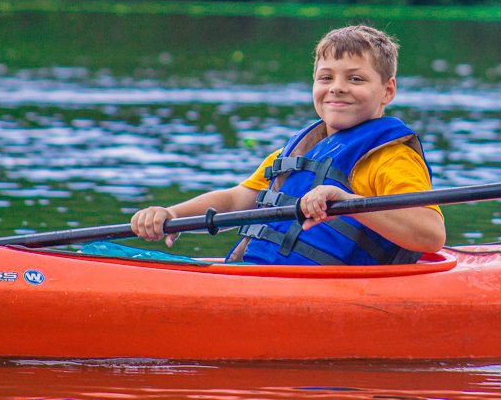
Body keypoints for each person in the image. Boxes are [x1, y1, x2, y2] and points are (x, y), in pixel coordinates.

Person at [131, 25, 445, 265]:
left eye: (356, 79)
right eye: (325, 78)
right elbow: (236, 199)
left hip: (332, 293)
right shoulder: (301, 150)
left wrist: (346, 201)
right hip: (257, 276)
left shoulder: (390, 158)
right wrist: (172, 215)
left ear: (388, 91)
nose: (337, 88)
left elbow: (431, 235)